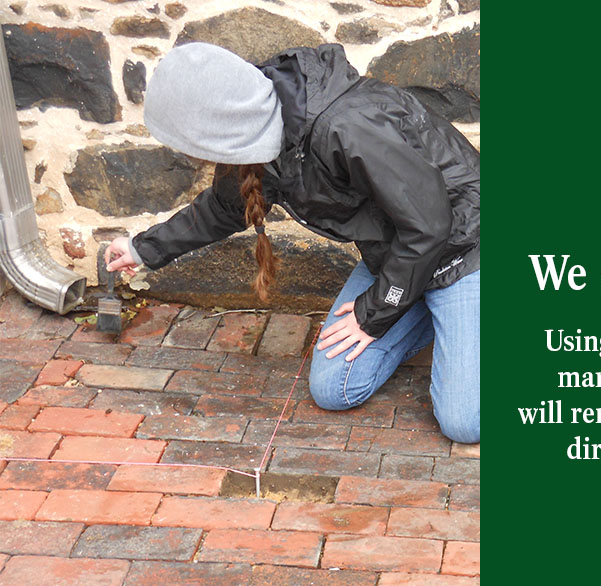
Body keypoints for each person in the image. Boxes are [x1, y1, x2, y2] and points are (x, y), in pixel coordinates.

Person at [106, 43, 480, 443]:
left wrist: (375, 313)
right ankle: (431, 314)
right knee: (335, 389)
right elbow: (223, 208)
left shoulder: (348, 127)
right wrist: (143, 248)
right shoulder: (258, 135)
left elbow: (428, 227)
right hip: (397, 258)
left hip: (463, 248)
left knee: (463, 422)